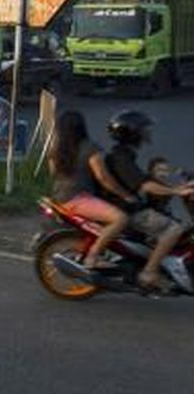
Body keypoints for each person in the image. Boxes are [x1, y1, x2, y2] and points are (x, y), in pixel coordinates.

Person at [102, 111, 194, 291]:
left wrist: (184, 184)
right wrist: (176, 190)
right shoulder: (121, 159)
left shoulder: (125, 155)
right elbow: (145, 186)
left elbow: (149, 179)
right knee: (174, 229)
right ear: (132, 133)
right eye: (143, 130)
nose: (148, 133)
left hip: (133, 205)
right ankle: (149, 272)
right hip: (128, 210)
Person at [47, 110, 136, 270]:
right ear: (82, 128)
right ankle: (93, 257)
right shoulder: (90, 148)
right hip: (79, 199)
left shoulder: (56, 150)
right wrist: (126, 195)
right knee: (121, 219)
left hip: (59, 198)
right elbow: (103, 178)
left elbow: (53, 174)